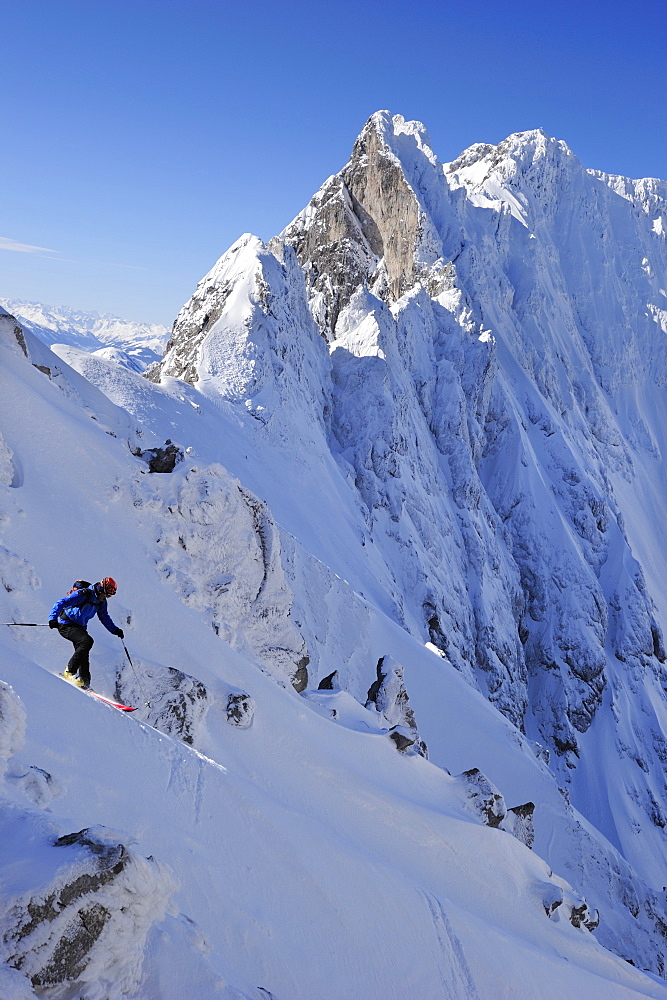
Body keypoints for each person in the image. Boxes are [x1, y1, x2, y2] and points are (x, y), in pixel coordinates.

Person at [49, 577, 124, 689]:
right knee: (87, 641)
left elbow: (104, 617)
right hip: (66, 624)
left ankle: (85, 682)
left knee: (84, 653)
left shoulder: (101, 601)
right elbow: (62, 602)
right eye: (107, 595)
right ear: (102, 590)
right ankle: (69, 672)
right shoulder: (84, 594)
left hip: (80, 627)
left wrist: (115, 630)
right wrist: (52, 619)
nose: (107, 597)